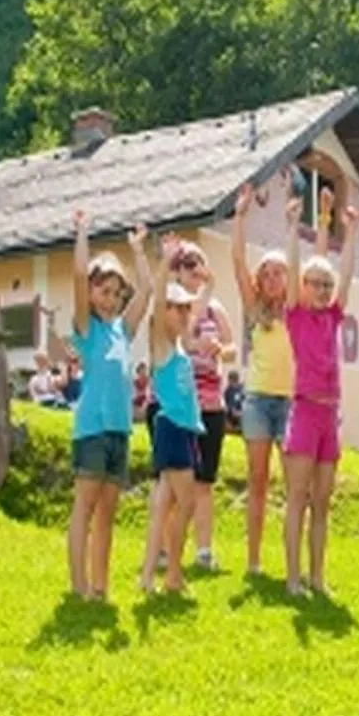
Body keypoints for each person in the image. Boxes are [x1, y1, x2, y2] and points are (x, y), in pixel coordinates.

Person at [65, 210, 151, 601]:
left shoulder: (122, 329)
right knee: (85, 507)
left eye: (118, 294)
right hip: (92, 430)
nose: (112, 300)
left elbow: (146, 292)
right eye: (105, 291)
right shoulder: (87, 328)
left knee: (108, 514)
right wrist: (82, 233)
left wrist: (138, 251)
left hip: (119, 430)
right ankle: (79, 585)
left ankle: (100, 586)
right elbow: (79, 276)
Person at [281, 197, 359, 596]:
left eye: (326, 286)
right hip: (305, 411)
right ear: (304, 287)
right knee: (297, 497)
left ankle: (317, 576)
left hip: (330, 416)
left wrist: (352, 232)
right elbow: (296, 268)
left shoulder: (332, 315)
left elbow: (345, 276)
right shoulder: (295, 313)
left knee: (323, 502)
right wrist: (295, 226)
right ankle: (293, 577)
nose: (324, 290)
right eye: (317, 284)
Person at [231, 182, 297, 577]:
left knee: (294, 485)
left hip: (290, 403)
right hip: (257, 400)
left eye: (279, 272)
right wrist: (240, 216)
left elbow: (300, 260)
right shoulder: (255, 308)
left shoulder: (295, 310)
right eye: (267, 272)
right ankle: (254, 560)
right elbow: (238, 259)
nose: (273, 277)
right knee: (257, 481)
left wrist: (292, 225)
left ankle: (293, 562)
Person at [169, 236, 236, 571]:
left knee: (204, 481)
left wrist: (221, 350)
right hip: (182, 405)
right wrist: (197, 343)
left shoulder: (216, 308)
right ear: (177, 272)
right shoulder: (177, 307)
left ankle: (204, 550)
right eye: (188, 265)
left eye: (199, 264)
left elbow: (234, 346)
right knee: (175, 479)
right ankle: (168, 548)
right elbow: (181, 336)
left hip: (212, 404)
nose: (196, 271)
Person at [138, 275, 207, 595]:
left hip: (184, 430)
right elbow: (158, 292)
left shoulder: (178, 345)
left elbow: (199, 307)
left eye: (185, 309)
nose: (182, 314)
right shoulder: (162, 345)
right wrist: (163, 262)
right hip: (173, 429)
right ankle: (174, 573)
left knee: (163, 509)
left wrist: (211, 283)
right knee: (188, 503)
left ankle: (148, 576)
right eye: (175, 308)